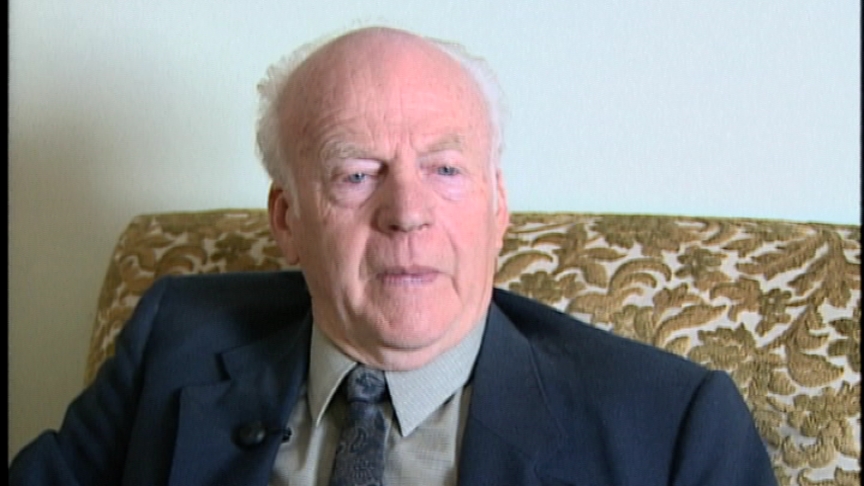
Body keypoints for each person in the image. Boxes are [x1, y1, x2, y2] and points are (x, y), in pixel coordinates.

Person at [9, 26, 778, 486]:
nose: (407, 212)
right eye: (356, 174)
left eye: (445, 169)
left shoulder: (671, 426)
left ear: (498, 205)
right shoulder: (175, 341)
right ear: (287, 219)